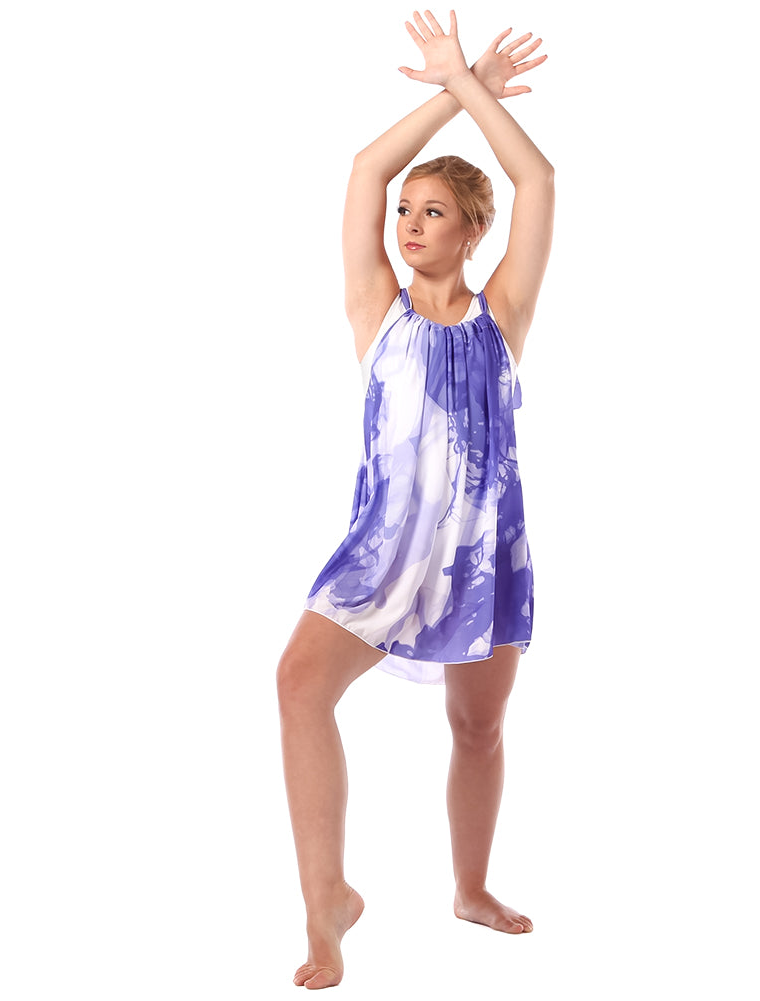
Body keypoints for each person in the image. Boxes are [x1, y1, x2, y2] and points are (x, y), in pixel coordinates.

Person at [277, 9, 555, 990]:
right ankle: (326, 903)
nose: (407, 224)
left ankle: (469, 888)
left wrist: (477, 91)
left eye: (432, 212)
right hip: (382, 550)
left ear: (473, 231)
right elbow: (364, 167)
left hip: (482, 549)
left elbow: (537, 180)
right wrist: (451, 85)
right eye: (406, 211)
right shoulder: (376, 308)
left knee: (477, 726)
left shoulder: (500, 315)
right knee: (298, 681)